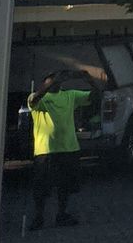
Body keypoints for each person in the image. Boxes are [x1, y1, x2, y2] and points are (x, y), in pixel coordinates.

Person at [26, 69, 96, 229]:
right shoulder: (38, 98)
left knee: (65, 185)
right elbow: (35, 99)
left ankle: (61, 214)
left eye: (58, 80)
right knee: (41, 187)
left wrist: (89, 80)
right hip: (45, 150)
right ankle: (38, 217)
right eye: (51, 80)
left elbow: (94, 97)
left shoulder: (70, 95)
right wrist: (52, 81)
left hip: (68, 148)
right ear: (44, 84)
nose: (56, 82)